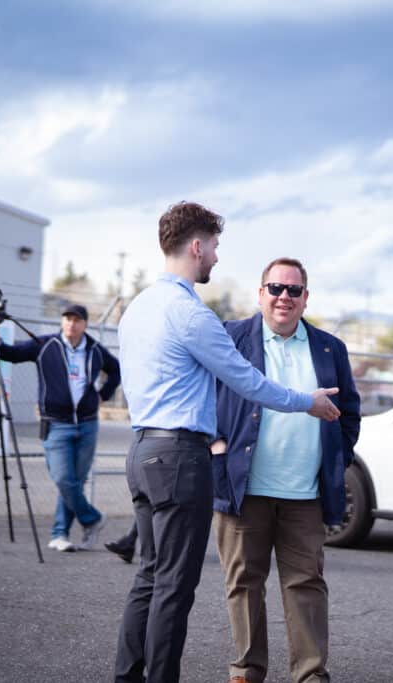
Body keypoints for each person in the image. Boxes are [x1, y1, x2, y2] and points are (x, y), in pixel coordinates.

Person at [113, 201, 342, 683]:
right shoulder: (190, 313)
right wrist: (308, 401)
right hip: (178, 458)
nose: (216, 257)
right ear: (196, 246)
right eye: (214, 247)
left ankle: (127, 676)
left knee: (149, 577)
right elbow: (247, 380)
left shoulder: (139, 307)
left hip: (141, 451)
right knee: (174, 584)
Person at [212, 257, 361, 683]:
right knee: (243, 582)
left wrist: (337, 457)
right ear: (260, 294)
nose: (283, 297)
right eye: (275, 288)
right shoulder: (230, 337)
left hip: (305, 494)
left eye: (293, 291)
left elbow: (349, 412)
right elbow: (202, 393)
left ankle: (311, 675)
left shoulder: (330, 348)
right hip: (242, 489)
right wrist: (215, 448)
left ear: (305, 298)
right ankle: (246, 669)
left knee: (306, 586)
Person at [0, 304, 120, 552]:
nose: (71, 324)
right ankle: (92, 519)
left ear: (85, 325)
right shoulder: (45, 344)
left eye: (77, 320)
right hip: (56, 425)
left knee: (75, 481)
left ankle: (60, 534)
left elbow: (116, 369)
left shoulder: (95, 350)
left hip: (88, 424)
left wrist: (103, 396)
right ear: (61, 322)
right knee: (63, 478)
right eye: (67, 318)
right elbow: (12, 354)